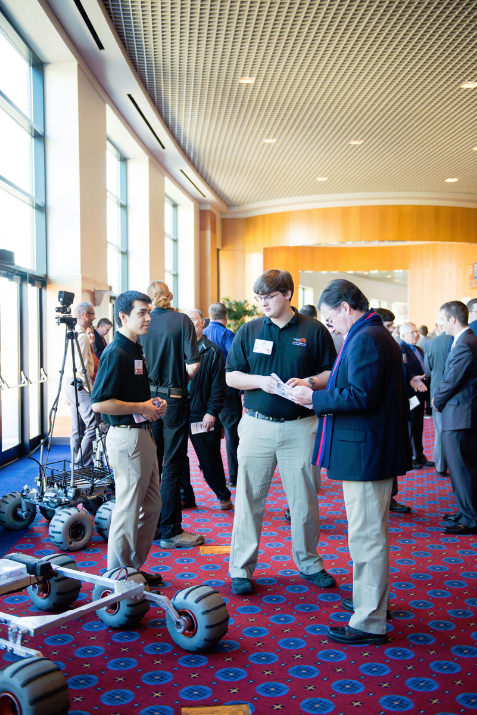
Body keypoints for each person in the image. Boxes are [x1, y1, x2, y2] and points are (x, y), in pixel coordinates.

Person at [291, 279, 410, 645]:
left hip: (366, 452)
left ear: (345, 308)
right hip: (367, 449)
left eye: (330, 320)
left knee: (367, 536)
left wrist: (314, 397)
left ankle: (369, 620)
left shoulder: (368, 337)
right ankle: (372, 603)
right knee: (369, 533)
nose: (331, 327)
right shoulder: (369, 333)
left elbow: (360, 395)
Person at [226, 269, 337, 595]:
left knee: (303, 500)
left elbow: (330, 372)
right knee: (248, 498)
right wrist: (260, 381)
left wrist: (310, 382)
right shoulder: (249, 330)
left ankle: (309, 562)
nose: (263, 303)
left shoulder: (312, 330)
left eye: (269, 297)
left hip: (301, 427)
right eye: (259, 298)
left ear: (287, 294)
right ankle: (241, 568)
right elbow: (232, 376)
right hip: (257, 424)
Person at [91, 290, 167, 586]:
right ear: (123, 316)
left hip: (141, 434)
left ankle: (131, 568)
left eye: (149, 312)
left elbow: (131, 396)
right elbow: (100, 403)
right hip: (125, 438)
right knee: (128, 506)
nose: (148, 318)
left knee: (151, 505)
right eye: (141, 313)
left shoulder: (135, 348)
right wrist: (141, 408)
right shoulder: (117, 352)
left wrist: (152, 406)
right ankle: (117, 576)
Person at [139, 281, 204, 549]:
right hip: (174, 397)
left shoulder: (142, 322)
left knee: (152, 462)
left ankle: (151, 527)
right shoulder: (182, 320)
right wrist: (179, 379)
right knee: (173, 463)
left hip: (147, 399)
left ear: (150, 301)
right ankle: (171, 530)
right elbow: (193, 365)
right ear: (171, 296)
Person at [180, 309, 232, 510]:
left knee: (208, 458)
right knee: (178, 458)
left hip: (202, 413)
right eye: (187, 321)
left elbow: (219, 386)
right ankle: (186, 496)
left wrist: (212, 412)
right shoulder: (179, 348)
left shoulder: (212, 351)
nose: (191, 324)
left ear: (203, 322)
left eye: (193, 320)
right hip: (179, 411)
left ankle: (222, 494)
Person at [433, 301, 477, 535]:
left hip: (459, 414)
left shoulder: (465, 344)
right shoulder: (467, 340)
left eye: (441, 318)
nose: (439, 323)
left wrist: (436, 402)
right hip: (464, 413)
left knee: (462, 469)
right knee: (465, 468)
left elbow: (451, 380)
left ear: (452, 319)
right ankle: (465, 511)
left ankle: (470, 519)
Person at [204, 302, 242, 487]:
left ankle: (209, 474)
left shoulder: (202, 334)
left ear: (210, 315)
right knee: (231, 432)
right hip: (227, 387)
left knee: (209, 432)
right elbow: (236, 359)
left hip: (206, 389)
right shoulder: (227, 334)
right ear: (225, 317)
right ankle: (234, 476)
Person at [64, 301, 97, 466]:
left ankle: (75, 464)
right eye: (92, 314)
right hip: (80, 385)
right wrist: (89, 390)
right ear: (85, 315)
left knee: (77, 428)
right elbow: (82, 368)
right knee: (93, 424)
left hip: (70, 384)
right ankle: (81, 463)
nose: (94, 317)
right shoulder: (82, 337)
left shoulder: (70, 334)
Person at [399, 322, 434, 469]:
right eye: (412, 332)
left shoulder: (418, 348)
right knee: (410, 427)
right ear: (403, 335)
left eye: (416, 331)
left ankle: (419, 455)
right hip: (410, 395)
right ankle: (411, 457)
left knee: (419, 426)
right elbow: (403, 373)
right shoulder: (401, 349)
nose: (416, 334)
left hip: (421, 393)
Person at [424, 324, 452, 476]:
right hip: (459, 391)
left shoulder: (430, 343)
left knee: (440, 430)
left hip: (437, 390)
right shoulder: (461, 340)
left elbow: (428, 370)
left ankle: (441, 466)